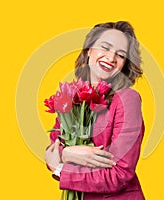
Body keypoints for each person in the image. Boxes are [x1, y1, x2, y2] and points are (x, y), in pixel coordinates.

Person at [45, 21, 145, 200]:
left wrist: (61, 168)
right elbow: (53, 149)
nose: (111, 58)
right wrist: (68, 153)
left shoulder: (127, 99)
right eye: (105, 47)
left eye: (121, 55)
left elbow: (120, 173)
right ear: (89, 49)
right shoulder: (72, 95)